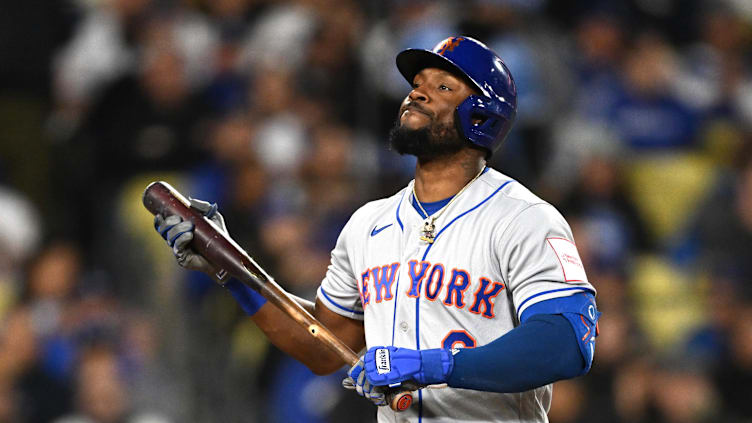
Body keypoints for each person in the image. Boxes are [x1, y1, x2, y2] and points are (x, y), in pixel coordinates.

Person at [155, 36, 600, 422]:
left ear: (481, 116)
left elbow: (567, 340)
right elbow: (322, 344)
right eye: (417, 85)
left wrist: (436, 365)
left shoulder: (522, 217)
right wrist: (229, 268)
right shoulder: (369, 223)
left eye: (442, 86)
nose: (418, 94)